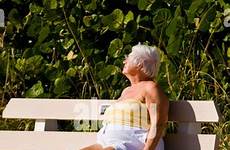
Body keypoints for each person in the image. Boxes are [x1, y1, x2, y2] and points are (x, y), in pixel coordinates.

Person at [80, 43, 169, 150]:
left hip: (135, 143)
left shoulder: (150, 88)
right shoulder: (126, 91)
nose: (124, 61)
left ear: (140, 64)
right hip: (107, 143)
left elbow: (158, 123)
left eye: (128, 58)